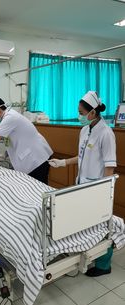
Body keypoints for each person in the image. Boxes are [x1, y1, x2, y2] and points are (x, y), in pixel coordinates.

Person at [49, 90, 117, 277]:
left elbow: (110, 165)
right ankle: (85, 255)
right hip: (82, 184)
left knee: (101, 227)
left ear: (93, 113)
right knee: (85, 224)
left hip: (97, 188)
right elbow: (81, 156)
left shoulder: (106, 133)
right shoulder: (84, 130)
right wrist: (63, 163)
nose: (79, 115)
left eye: (81, 112)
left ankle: (104, 265)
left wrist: (104, 192)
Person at [0, 97, 53, 184]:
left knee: (39, 188)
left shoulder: (10, 118)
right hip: (34, 157)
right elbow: (14, 141)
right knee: (34, 188)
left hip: (37, 158)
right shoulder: (9, 117)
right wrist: (5, 154)